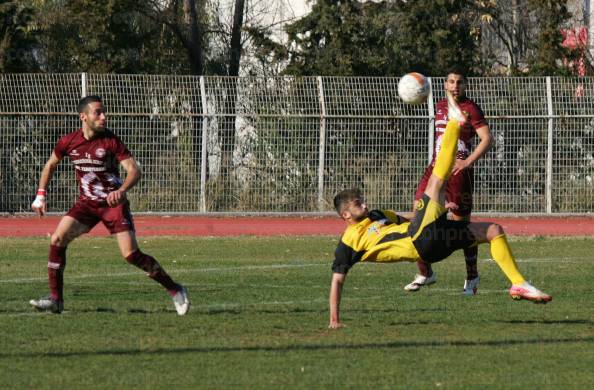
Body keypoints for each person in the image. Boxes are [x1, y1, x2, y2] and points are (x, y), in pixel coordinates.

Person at [328, 91, 551, 329]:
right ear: (346, 215)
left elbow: (408, 217)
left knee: (492, 230)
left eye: (362, 200)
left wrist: (440, 208)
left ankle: (518, 283)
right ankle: (454, 124)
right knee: (436, 182)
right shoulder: (349, 241)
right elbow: (337, 281)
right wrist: (334, 320)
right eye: (358, 204)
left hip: (432, 239)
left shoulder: (378, 215)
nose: (365, 204)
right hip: (419, 241)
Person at [29, 95, 190, 315]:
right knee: (57, 238)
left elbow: (134, 170)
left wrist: (121, 190)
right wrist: (40, 195)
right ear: (83, 117)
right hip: (86, 205)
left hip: (113, 205)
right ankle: (56, 300)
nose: (104, 116)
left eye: (104, 112)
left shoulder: (111, 141)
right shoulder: (68, 141)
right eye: (98, 112)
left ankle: (175, 289)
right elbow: (50, 164)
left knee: (130, 255)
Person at [405, 68, 492, 295]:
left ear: (465, 86)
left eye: (460, 82)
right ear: (445, 84)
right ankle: (426, 273)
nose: (455, 86)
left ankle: (472, 277)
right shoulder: (440, 106)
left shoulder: (471, 108)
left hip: (458, 173)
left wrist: (467, 162)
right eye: (451, 82)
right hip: (434, 169)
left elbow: (487, 138)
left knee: (463, 229)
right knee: (417, 218)